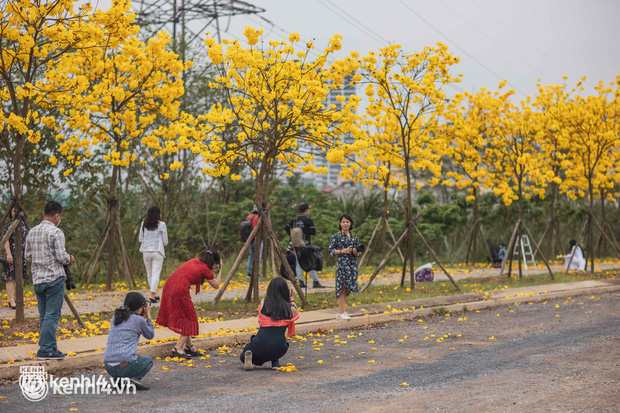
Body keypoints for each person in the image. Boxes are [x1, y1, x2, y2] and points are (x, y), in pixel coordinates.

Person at [25, 201, 75, 360]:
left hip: (38, 280)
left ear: (43, 214)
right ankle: (45, 350)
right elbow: (61, 257)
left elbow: (27, 256)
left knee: (44, 316)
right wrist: (70, 259)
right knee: (52, 316)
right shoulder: (56, 232)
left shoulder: (32, 231)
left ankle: (52, 347)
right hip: (54, 278)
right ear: (57, 215)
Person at [156, 250, 222, 358]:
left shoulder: (195, 261)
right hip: (179, 290)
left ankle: (189, 346)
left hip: (169, 285)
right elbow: (216, 285)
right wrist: (220, 270)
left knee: (187, 317)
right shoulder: (206, 269)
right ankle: (177, 348)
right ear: (214, 263)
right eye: (216, 264)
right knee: (191, 319)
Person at [240, 277, 299, 371]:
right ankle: (275, 363)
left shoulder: (264, 302)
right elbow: (296, 313)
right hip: (280, 348)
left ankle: (248, 355)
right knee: (275, 340)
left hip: (259, 344)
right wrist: (291, 299)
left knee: (244, 354)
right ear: (285, 291)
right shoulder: (289, 309)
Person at [103, 292, 154, 391]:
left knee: (136, 356)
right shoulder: (138, 319)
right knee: (148, 360)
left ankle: (119, 380)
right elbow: (150, 335)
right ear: (140, 307)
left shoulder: (116, 317)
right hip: (124, 365)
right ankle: (132, 380)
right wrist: (148, 315)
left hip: (108, 366)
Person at [328, 214, 360, 320]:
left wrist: (355, 252)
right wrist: (343, 251)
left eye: (347, 222)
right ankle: (340, 312)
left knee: (347, 288)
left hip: (352, 264)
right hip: (342, 264)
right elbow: (331, 251)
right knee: (342, 287)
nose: (345, 224)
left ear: (351, 223)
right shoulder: (336, 236)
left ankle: (342, 311)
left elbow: (358, 253)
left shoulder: (354, 236)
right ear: (340, 223)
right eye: (343, 222)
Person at [284, 203, 325, 288]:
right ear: (306, 211)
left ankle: (301, 282)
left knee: (298, 263)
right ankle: (316, 282)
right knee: (311, 262)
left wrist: (293, 236)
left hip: (296, 245)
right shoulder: (308, 220)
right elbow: (313, 232)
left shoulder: (295, 219)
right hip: (306, 245)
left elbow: (286, 228)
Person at [139, 206, 168, 303]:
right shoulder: (162, 224)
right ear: (158, 214)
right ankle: (152, 294)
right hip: (157, 251)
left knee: (150, 273)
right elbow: (165, 241)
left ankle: (154, 293)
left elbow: (140, 239)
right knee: (156, 273)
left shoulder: (143, 224)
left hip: (145, 251)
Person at [2, 202, 29, 309]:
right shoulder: (8, 224)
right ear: (10, 213)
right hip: (11, 251)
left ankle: (17, 297)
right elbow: (5, 240)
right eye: (13, 211)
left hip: (22, 252)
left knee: (21, 276)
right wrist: (8, 253)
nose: (15, 213)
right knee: (10, 277)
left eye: (17, 211)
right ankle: (11, 300)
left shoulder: (23, 224)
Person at [245, 207, 262, 278]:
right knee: (258, 257)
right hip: (257, 239)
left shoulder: (248, 217)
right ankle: (256, 273)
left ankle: (249, 272)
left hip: (250, 239)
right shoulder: (258, 217)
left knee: (251, 256)